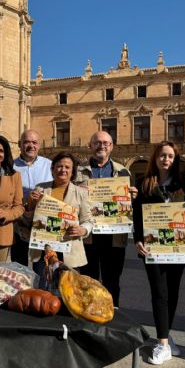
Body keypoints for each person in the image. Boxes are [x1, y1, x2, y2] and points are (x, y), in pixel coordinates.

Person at [132, 142, 185, 365]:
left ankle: (165, 335)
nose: (166, 160)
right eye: (162, 155)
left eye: (170, 156)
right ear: (156, 158)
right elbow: (138, 216)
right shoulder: (144, 183)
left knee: (172, 292)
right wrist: (138, 240)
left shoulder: (184, 183)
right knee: (159, 293)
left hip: (178, 247)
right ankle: (162, 344)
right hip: (153, 248)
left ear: (175, 159)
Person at [75, 130, 136, 306]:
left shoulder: (123, 172)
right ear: (90, 145)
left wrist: (133, 196)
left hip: (114, 236)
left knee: (112, 281)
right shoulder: (79, 172)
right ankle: (88, 315)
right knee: (88, 280)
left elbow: (126, 205)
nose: (101, 146)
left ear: (111, 147)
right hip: (88, 236)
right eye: (97, 142)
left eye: (105, 143)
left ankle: (111, 316)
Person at [27, 152, 93, 277]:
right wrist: (30, 204)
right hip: (44, 249)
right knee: (43, 291)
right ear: (52, 169)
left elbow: (88, 220)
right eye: (59, 166)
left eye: (67, 167)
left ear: (72, 172)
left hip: (69, 250)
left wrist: (83, 230)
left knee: (68, 293)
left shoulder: (81, 193)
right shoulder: (40, 189)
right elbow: (30, 219)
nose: (63, 170)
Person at [11, 130, 53, 266]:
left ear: (39, 145)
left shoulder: (50, 165)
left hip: (42, 223)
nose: (31, 146)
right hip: (19, 223)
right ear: (19, 144)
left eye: (34, 142)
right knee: (19, 265)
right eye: (26, 142)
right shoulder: (10, 166)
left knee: (41, 266)